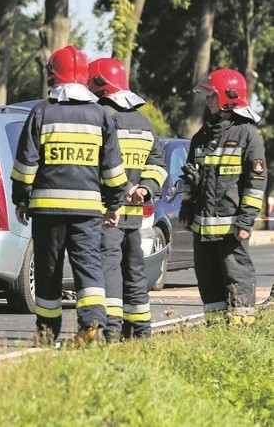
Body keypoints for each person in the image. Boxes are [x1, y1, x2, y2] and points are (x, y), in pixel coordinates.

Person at [11, 46, 131, 346]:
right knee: (88, 265)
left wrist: (20, 199)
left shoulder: (41, 111)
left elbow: (26, 163)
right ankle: (91, 322)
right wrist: (114, 203)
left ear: (54, 75)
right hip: (88, 211)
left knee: (49, 270)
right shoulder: (100, 115)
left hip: (47, 210)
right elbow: (113, 169)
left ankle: (47, 332)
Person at [87, 58, 167, 340]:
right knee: (134, 269)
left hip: (106, 212)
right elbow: (157, 163)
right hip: (134, 211)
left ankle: (110, 329)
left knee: (108, 269)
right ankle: (140, 329)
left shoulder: (99, 118)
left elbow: (97, 165)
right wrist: (144, 187)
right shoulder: (143, 122)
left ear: (99, 84)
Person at [179, 69, 266, 325]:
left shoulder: (246, 134)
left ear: (228, 97)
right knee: (208, 283)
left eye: (212, 96)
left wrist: (246, 220)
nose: (208, 101)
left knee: (236, 277)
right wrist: (186, 207)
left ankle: (240, 333)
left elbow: (256, 182)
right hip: (202, 229)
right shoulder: (201, 137)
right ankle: (216, 333)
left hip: (231, 229)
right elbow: (190, 178)